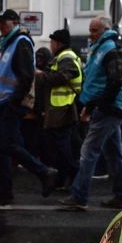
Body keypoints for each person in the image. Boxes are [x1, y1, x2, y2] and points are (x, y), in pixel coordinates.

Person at [0, 10, 57, 205]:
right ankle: (5, 189)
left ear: (14, 22)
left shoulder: (20, 42)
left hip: (10, 103)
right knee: (2, 147)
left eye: (3, 22)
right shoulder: (8, 43)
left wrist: (14, 102)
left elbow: (26, 76)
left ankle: (44, 172)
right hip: (4, 103)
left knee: (6, 145)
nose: (0, 26)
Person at [61, 16, 122, 211]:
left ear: (104, 30)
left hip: (109, 108)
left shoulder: (109, 49)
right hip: (109, 106)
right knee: (114, 153)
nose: (90, 34)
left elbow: (115, 81)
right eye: (90, 30)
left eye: (94, 30)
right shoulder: (103, 48)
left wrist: (96, 105)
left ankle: (79, 195)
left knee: (88, 151)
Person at [35, 28, 83, 190]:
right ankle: (62, 180)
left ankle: (74, 175)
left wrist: (42, 76)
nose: (51, 45)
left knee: (62, 148)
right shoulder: (62, 57)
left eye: (52, 42)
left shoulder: (66, 57)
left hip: (62, 108)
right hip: (59, 108)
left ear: (57, 43)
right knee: (59, 147)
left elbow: (64, 76)